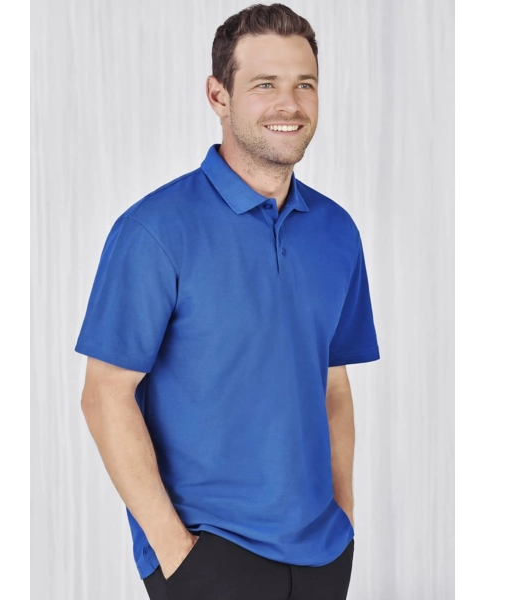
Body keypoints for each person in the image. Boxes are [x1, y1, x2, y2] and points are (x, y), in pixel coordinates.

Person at [75, 4, 380, 599]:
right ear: (219, 96)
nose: (289, 104)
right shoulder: (154, 230)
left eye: (305, 84)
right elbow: (105, 395)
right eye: (264, 85)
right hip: (207, 554)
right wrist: (175, 552)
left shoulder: (337, 231)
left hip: (323, 554)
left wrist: (343, 517)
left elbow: (333, 386)